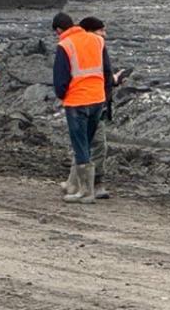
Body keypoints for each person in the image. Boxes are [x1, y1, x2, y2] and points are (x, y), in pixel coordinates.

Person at [51, 12, 106, 204]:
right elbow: (106, 68)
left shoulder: (65, 45)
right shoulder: (97, 40)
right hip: (98, 98)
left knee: (80, 145)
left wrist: (61, 95)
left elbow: (60, 78)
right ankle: (75, 185)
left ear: (59, 30)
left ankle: (85, 191)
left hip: (77, 101)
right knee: (88, 142)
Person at [80, 16, 125, 200]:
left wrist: (112, 82)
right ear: (90, 31)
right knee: (97, 143)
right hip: (91, 103)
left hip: (90, 102)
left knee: (85, 143)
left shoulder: (87, 47)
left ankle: (82, 182)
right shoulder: (93, 48)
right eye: (101, 30)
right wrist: (113, 80)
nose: (104, 35)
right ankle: (94, 183)